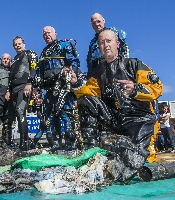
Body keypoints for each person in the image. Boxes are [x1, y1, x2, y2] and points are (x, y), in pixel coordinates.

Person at [69, 28, 163, 182]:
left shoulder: (134, 64)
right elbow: (90, 93)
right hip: (115, 120)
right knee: (84, 101)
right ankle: (91, 151)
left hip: (139, 121)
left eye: (109, 41)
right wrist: (76, 83)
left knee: (138, 161)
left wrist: (135, 89)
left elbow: (158, 88)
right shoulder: (98, 72)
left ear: (117, 44)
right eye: (102, 42)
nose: (105, 45)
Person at [35, 26, 80, 151]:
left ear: (55, 33)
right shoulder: (44, 52)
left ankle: (71, 144)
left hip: (63, 86)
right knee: (50, 117)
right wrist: (38, 83)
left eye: (48, 33)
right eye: (44, 34)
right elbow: (40, 69)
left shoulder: (64, 45)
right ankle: (55, 144)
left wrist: (72, 74)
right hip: (48, 89)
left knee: (66, 114)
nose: (46, 35)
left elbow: (74, 62)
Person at [7, 36, 38, 151]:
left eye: (19, 43)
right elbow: (11, 76)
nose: (17, 46)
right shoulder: (14, 59)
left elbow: (34, 67)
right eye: (15, 44)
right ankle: (19, 142)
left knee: (21, 112)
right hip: (14, 89)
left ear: (24, 44)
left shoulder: (30, 53)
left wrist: (30, 83)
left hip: (24, 86)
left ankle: (25, 142)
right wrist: (9, 90)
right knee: (16, 114)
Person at [87, 12, 129, 78]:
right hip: (97, 74)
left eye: (98, 21)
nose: (97, 24)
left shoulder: (115, 32)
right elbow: (90, 61)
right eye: (94, 23)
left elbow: (124, 49)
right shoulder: (93, 42)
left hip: (114, 70)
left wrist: (122, 67)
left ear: (103, 20)